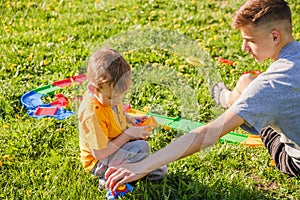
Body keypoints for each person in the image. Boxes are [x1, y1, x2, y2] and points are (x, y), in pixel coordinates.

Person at [105, 0, 300, 191]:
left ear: (275, 37)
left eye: (250, 40)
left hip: (293, 159)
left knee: (249, 89)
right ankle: (226, 98)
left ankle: (228, 100)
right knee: (246, 81)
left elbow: (208, 134)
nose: (243, 48)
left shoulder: (269, 86)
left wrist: (142, 165)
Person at [78, 47, 167, 191]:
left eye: (122, 95)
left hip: (113, 145)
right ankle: (109, 177)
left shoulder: (108, 97)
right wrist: (128, 135)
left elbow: (115, 109)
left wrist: (129, 118)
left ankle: (137, 169)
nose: (117, 100)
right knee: (142, 147)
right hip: (98, 162)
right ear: (93, 89)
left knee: (141, 146)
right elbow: (99, 153)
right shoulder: (92, 114)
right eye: (112, 97)